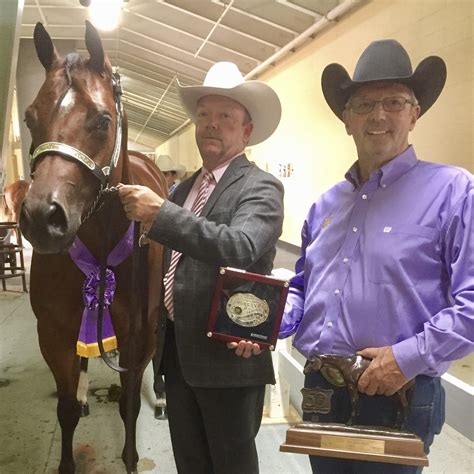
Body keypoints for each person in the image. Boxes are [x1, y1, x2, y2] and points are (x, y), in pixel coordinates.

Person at [279, 39, 473, 473]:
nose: (379, 115)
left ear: (415, 113)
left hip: (395, 394)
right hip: (321, 390)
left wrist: (406, 358)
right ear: (347, 120)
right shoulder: (325, 205)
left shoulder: (454, 192)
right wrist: (265, 318)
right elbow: (303, 288)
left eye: (394, 102)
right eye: (364, 104)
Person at [118, 61, 284, 474]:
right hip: (177, 353)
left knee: (230, 463)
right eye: (204, 115)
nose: (212, 125)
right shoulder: (184, 188)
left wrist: (161, 214)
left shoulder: (260, 187)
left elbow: (241, 246)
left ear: (246, 131)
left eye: (226, 117)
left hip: (227, 359)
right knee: (190, 461)